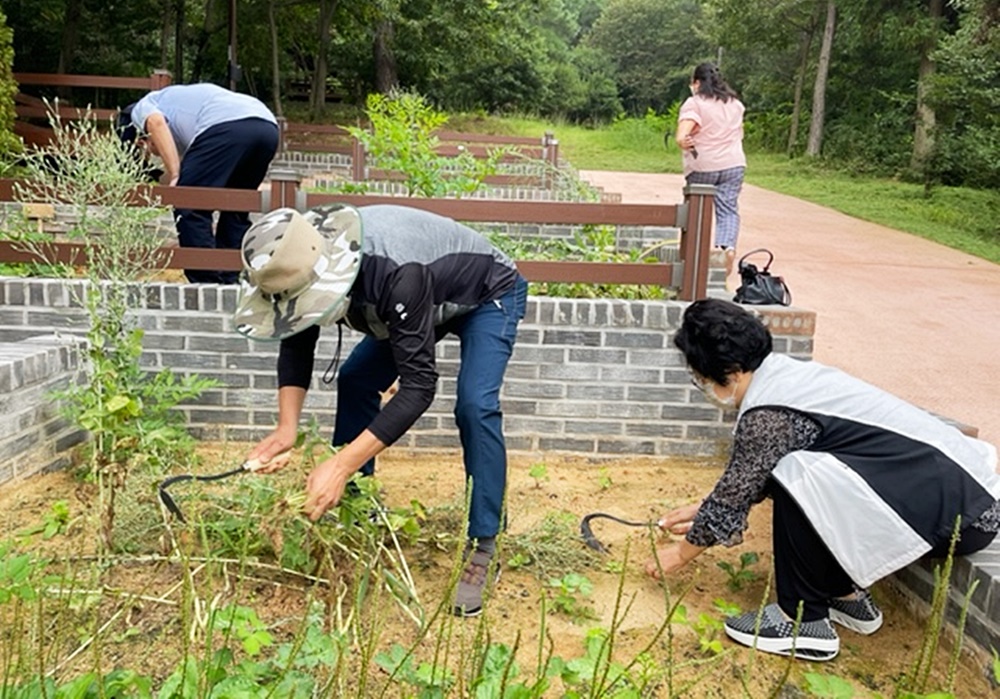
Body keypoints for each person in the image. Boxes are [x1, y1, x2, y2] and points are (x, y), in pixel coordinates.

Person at [647, 299, 999, 661]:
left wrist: (678, 555)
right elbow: (747, 481)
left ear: (731, 371)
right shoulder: (788, 377)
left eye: (702, 377)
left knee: (795, 476)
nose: (702, 386)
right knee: (799, 473)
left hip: (960, 516)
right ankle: (845, 597)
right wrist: (703, 509)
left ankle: (801, 622)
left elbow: (741, 490)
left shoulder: (770, 413)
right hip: (967, 499)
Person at [233, 203, 529, 617]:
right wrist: (286, 429)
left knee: (474, 405)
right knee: (356, 379)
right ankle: (357, 512)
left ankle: (484, 542)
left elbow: (418, 388)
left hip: (486, 293)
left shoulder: (392, 274)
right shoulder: (298, 256)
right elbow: (296, 337)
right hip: (423, 297)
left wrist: (338, 465)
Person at [118, 83, 279, 284]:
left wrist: (175, 173)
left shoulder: (144, 106)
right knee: (236, 207)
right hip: (267, 127)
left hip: (225, 126)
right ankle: (230, 278)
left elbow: (156, 123)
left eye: (149, 151)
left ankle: (206, 281)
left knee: (188, 204)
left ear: (142, 140)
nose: (154, 154)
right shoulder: (181, 111)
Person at [675, 63, 746, 280]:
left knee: (696, 213)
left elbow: (682, 135)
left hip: (703, 165)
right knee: (728, 211)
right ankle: (726, 249)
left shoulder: (694, 103)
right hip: (734, 164)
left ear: (697, 83)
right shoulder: (735, 104)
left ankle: (694, 258)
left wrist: (683, 141)